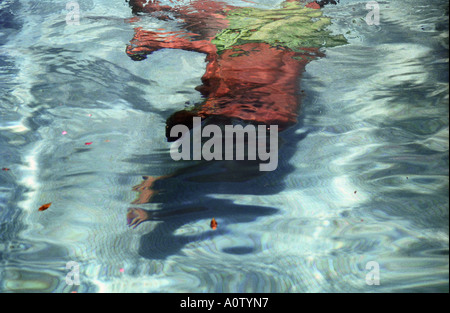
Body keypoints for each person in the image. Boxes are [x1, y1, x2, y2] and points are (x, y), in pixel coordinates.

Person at [125, 0, 345, 228]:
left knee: (154, 6)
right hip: (270, 98)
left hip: (257, 77)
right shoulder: (303, 29)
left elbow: (210, 46)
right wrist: (155, 41)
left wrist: (154, 41)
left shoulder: (240, 31)